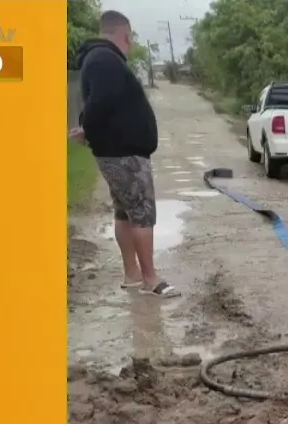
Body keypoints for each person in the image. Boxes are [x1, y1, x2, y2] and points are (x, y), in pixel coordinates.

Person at [70, 11, 179, 298]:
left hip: (117, 151)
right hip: (125, 153)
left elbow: (99, 103)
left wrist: (87, 129)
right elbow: (100, 102)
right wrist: (87, 127)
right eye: (130, 40)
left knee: (124, 212)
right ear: (126, 36)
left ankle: (132, 274)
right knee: (142, 213)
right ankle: (150, 279)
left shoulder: (98, 59)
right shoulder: (106, 60)